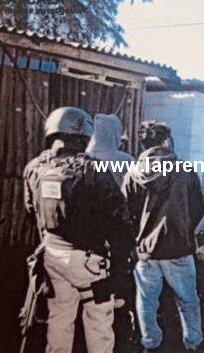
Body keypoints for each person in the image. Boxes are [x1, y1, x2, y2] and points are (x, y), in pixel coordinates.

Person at [23, 106, 135, 353]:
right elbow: (120, 221)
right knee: (98, 321)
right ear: (84, 136)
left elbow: (32, 211)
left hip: (52, 255)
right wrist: (119, 267)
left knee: (59, 316)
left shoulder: (35, 167)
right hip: (89, 260)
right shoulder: (93, 170)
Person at [122, 121, 204, 353]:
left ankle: (150, 343)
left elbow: (124, 213)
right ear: (166, 141)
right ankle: (192, 343)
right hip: (178, 249)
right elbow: (199, 207)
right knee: (188, 300)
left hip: (145, 252)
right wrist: (184, 230)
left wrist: (137, 240)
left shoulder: (133, 173)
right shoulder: (185, 170)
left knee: (146, 301)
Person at [86, 113, 137, 353]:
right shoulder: (126, 160)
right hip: (118, 224)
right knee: (119, 266)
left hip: (90, 226)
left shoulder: (85, 158)